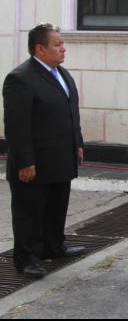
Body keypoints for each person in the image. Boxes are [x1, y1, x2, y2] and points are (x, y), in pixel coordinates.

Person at [3, 22, 86, 278]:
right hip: (34, 162)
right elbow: (16, 126)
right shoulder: (20, 79)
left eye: (62, 43)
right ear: (40, 49)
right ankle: (26, 258)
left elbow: (71, 112)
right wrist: (24, 161)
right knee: (29, 213)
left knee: (56, 206)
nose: (63, 48)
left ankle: (53, 246)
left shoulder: (62, 73)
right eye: (57, 44)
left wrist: (78, 144)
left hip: (61, 157)